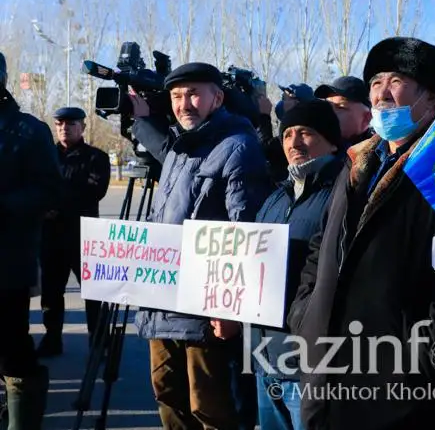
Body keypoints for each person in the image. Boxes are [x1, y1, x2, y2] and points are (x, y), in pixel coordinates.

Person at [288, 37, 435, 430]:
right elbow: (323, 245)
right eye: (375, 82)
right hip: (330, 365)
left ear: (431, 97)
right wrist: (306, 312)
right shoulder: (358, 161)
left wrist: (422, 358)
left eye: (397, 81)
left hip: (407, 386)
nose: (382, 93)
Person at [132, 62, 271, 429]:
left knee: (209, 408)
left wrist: (233, 309)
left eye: (194, 94)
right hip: (162, 303)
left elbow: (246, 232)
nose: (184, 104)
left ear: (217, 98)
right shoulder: (176, 149)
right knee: (167, 396)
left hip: (205, 311)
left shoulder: (238, 147)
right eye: (177, 96)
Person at [254, 99, 344, 430]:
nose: (294, 142)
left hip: (311, 359)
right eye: (288, 134)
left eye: (305, 133)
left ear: (331, 141)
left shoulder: (343, 191)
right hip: (267, 355)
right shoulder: (277, 196)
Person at [0, 52, 61, 428]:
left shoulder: (28, 130)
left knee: (13, 353)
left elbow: (50, 190)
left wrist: (5, 205)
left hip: (7, 264)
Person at [37, 107, 110, 357]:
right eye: (59, 124)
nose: (64, 129)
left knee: (93, 293)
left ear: (82, 127)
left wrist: (55, 205)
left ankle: (98, 344)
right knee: (51, 293)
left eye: (70, 124)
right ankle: (52, 339)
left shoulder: (96, 157)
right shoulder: (46, 156)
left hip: (84, 237)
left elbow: (94, 191)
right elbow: (37, 187)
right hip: (51, 237)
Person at [314, 76, 373, 146]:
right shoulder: (313, 147)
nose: (328, 112)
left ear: (366, 118)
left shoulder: (380, 150)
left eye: (340, 107)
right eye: (327, 106)